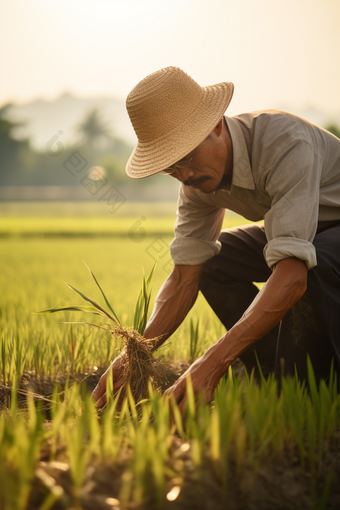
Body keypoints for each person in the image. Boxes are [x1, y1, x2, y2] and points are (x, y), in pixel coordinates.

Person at [92, 66, 340, 411]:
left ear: (217, 125)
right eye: (171, 168)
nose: (185, 175)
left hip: (334, 230)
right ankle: (276, 374)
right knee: (213, 262)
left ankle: (317, 383)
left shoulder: (284, 143)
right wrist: (135, 354)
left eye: (188, 158)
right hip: (308, 229)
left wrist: (213, 362)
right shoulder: (194, 184)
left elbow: (293, 273)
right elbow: (183, 276)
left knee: (312, 265)